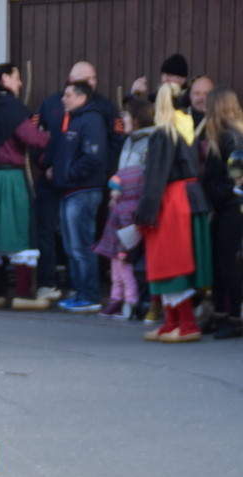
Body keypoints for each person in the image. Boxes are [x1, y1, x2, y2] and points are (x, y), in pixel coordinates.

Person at [0, 62, 50, 310]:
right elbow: (32, 139)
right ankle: (24, 295)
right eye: (17, 77)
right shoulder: (12, 107)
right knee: (19, 233)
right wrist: (49, 135)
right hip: (9, 180)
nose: (21, 83)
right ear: (5, 78)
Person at [137, 83, 213, 343]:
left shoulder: (164, 133)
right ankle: (172, 322)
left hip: (171, 200)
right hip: (189, 198)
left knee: (171, 261)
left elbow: (156, 177)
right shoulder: (187, 127)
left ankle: (186, 324)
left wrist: (145, 210)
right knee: (178, 259)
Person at [93, 98, 155, 320]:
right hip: (121, 206)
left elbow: (145, 176)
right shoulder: (129, 141)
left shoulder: (149, 141)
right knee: (117, 256)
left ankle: (138, 300)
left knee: (129, 257)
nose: (122, 119)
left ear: (137, 119)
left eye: (127, 115)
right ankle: (117, 299)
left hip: (135, 208)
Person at [52, 80, 109, 313]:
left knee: (81, 246)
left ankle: (89, 295)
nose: (63, 99)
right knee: (71, 246)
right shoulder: (76, 119)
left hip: (83, 192)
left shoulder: (91, 120)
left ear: (81, 97)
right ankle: (80, 292)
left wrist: (68, 173)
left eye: (68, 95)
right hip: (71, 191)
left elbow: (93, 156)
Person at [198, 86, 243, 339]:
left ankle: (235, 318)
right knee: (216, 262)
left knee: (229, 264)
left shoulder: (232, 137)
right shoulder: (222, 135)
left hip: (231, 208)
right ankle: (219, 313)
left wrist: (218, 193)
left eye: (208, 103)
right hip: (222, 207)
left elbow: (237, 178)